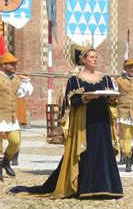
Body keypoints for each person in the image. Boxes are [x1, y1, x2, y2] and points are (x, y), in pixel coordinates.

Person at [8, 49, 123, 198]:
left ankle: (108, 188)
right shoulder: (75, 80)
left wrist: (113, 99)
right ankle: (87, 188)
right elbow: (70, 104)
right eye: (92, 57)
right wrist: (85, 98)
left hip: (102, 121)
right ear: (84, 60)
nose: (95, 59)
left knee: (103, 152)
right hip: (84, 123)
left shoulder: (106, 79)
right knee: (89, 152)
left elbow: (110, 100)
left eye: (96, 57)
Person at [0, 52, 33, 181]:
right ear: (3, 65)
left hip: (11, 116)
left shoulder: (14, 78)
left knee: (15, 142)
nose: (15, 66)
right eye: (12, 64)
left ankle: (6, 162)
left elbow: (22, 93)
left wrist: (25, 81)